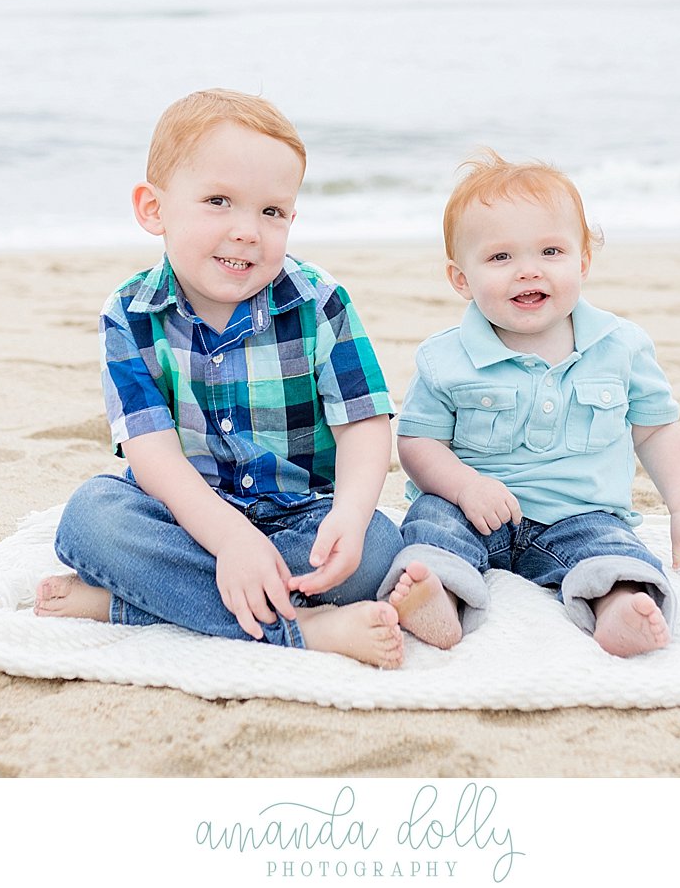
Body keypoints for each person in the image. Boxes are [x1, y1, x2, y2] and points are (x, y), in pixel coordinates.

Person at [36, 89, 405, 668]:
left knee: (379, 548)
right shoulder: (129, 313)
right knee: (91, 517)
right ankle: (302, 630)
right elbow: (151, 452)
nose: (247, 231)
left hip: (295, 513)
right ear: (153, 209)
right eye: (218, 201)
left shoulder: (318, 302)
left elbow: (365, 422)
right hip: (183, 516)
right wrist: (230, 539)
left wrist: (350, 516)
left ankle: (134, 605)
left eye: (272, 212)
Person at [379, 150, 680, 657]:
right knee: (431, 528)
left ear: (582, 261)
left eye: (551, 253)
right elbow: (417, 441)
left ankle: (620, 607)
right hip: (471, 509)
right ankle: (438, 597)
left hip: (581, 514)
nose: (527, 271)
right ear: (460, 279)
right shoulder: (446, 357)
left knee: (615, 553)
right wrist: (466, 486)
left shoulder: (620, 346)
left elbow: (655, 430)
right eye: (500, 257)